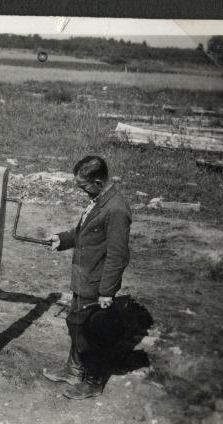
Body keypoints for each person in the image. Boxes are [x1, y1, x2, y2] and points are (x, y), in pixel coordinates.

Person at [44, 155, 131, 399]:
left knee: (90, 334)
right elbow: (85, 233)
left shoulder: (116, 209)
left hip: (96, 284)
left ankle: (92, 381)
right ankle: (73, 370)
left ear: (99, 182)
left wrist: (106, 291)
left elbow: (118, 255)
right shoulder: (98, 200)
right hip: (84, 279)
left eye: (84, 186)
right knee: (76, 326)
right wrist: (63, 239)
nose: (82, 191)